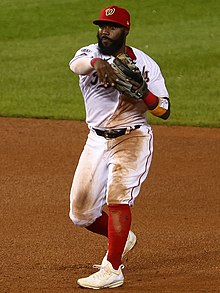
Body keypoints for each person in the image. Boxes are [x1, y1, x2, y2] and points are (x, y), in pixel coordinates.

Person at [68, 5, 170, 289]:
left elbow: (164, 109)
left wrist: (144, 94)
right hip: (96, 140)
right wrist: (97, 64)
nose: (104, 32)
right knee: (81, 214)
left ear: (125, 30)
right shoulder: (88, 54)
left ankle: (113, 268)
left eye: (111, 27)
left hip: (132, 138)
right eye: (101, 26)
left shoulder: (146, 65)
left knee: (118, 199)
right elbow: (75, 65)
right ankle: (124, 238)